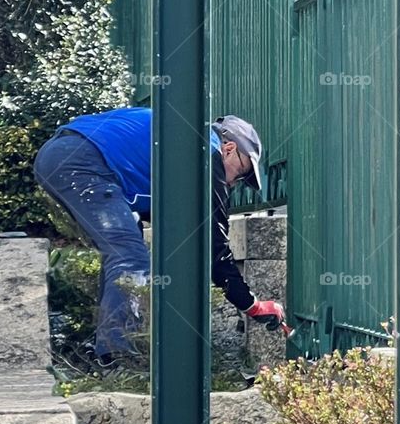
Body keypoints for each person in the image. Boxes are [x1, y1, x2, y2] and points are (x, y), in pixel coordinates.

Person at [33, 106, 291, 364]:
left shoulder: (186, 146)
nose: (234, 183)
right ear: (230, 148)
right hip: (82, 162)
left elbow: (187, 231)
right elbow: (214, 246)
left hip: (68, 155)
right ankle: (118, 357)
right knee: (129, 258)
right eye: (241, 172)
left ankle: (104, 347)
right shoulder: (207, 152)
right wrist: (251, 305)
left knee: (124, 248)